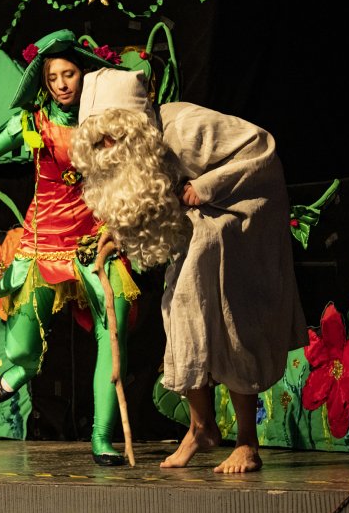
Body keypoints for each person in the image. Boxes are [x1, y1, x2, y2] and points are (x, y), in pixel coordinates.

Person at [0, 30, 139, 465]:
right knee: (22, 347)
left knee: (114, 337)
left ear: (84, 74)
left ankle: (101, 437)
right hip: (43, 244)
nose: (61, 84)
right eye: (52, 77)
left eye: (68, 74)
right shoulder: (32, 124)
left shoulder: (107, 123)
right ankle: (23, 368)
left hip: (94, 242)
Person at [71, 68, 308, 473]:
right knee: (180, 313)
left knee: (234, 323)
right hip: (202, 228)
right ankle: (201, 426)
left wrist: (207, 185)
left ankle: (247, 443)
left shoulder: (185, 128)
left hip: (242, 215)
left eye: (110, 136)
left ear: (131, 127)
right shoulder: (135, 151)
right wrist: (120, 233)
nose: (105, 148)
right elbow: (153, 195)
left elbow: (261, 149)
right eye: (97, 142)